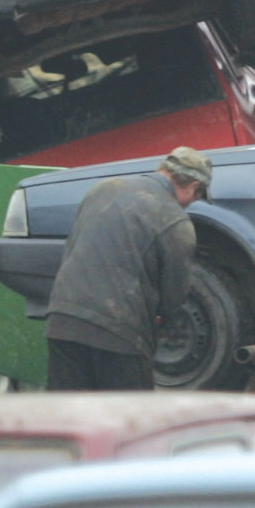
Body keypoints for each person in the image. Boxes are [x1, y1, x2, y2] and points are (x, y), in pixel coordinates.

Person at [41, 145, 208, 392]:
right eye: (196, 197)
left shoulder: (103, 189)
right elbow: (173, 297)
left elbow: (74, 248)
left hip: (63, 322)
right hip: (119, 335)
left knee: (68, 419)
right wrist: (162, 319)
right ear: (193, 187)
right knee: (130, 422)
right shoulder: (175, 222)